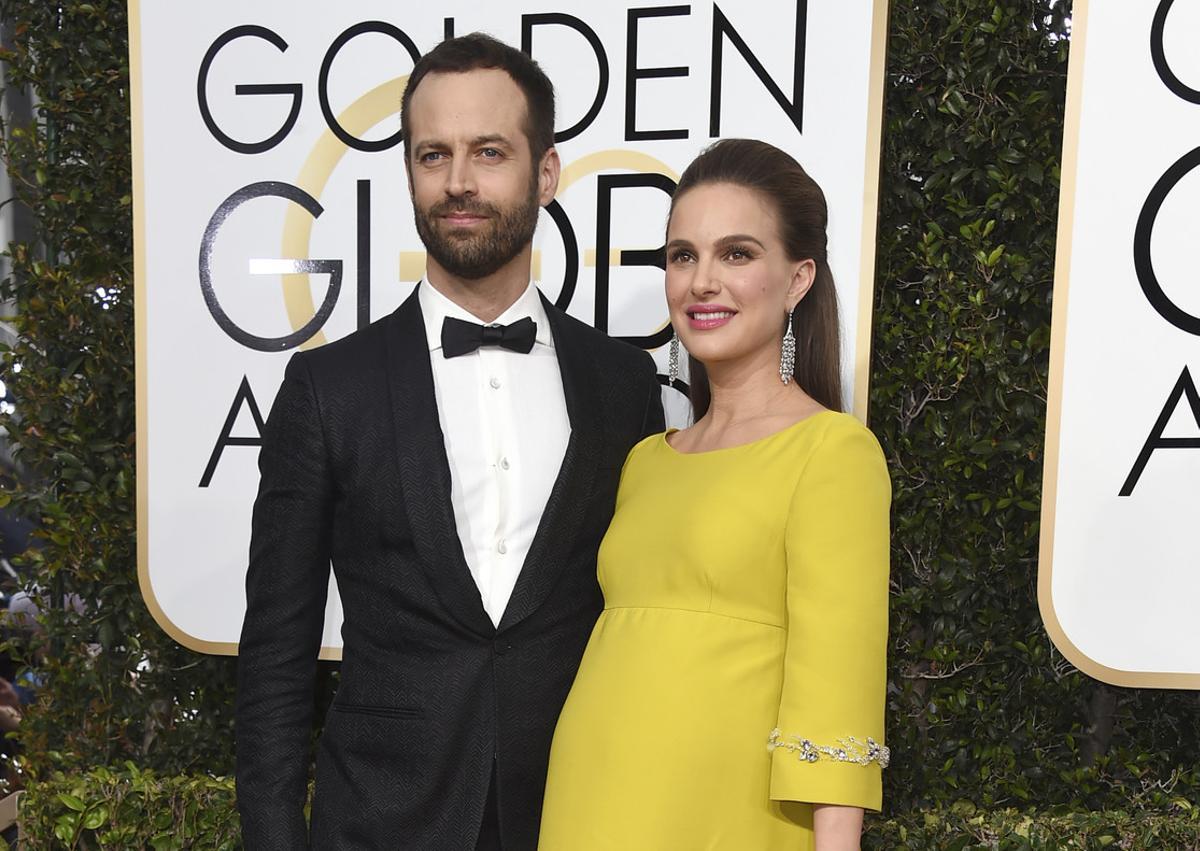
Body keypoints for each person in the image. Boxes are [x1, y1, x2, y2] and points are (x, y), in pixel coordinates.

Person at [235, 33, 665, 850]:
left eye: (489, 151)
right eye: (432, 155)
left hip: (576, 813)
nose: (458, 181)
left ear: (546, 173)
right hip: (380, 819)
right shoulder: (329, 391)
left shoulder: (622, 385)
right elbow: (277, 653)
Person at [538, 139, 891, 850]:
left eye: (737, 253)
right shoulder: (645, 461)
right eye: (682, 255)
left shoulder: (833, 452)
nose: (702, 280)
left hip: (727, 818)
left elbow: (837, 695)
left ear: (797, 279)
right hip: (589, 800)